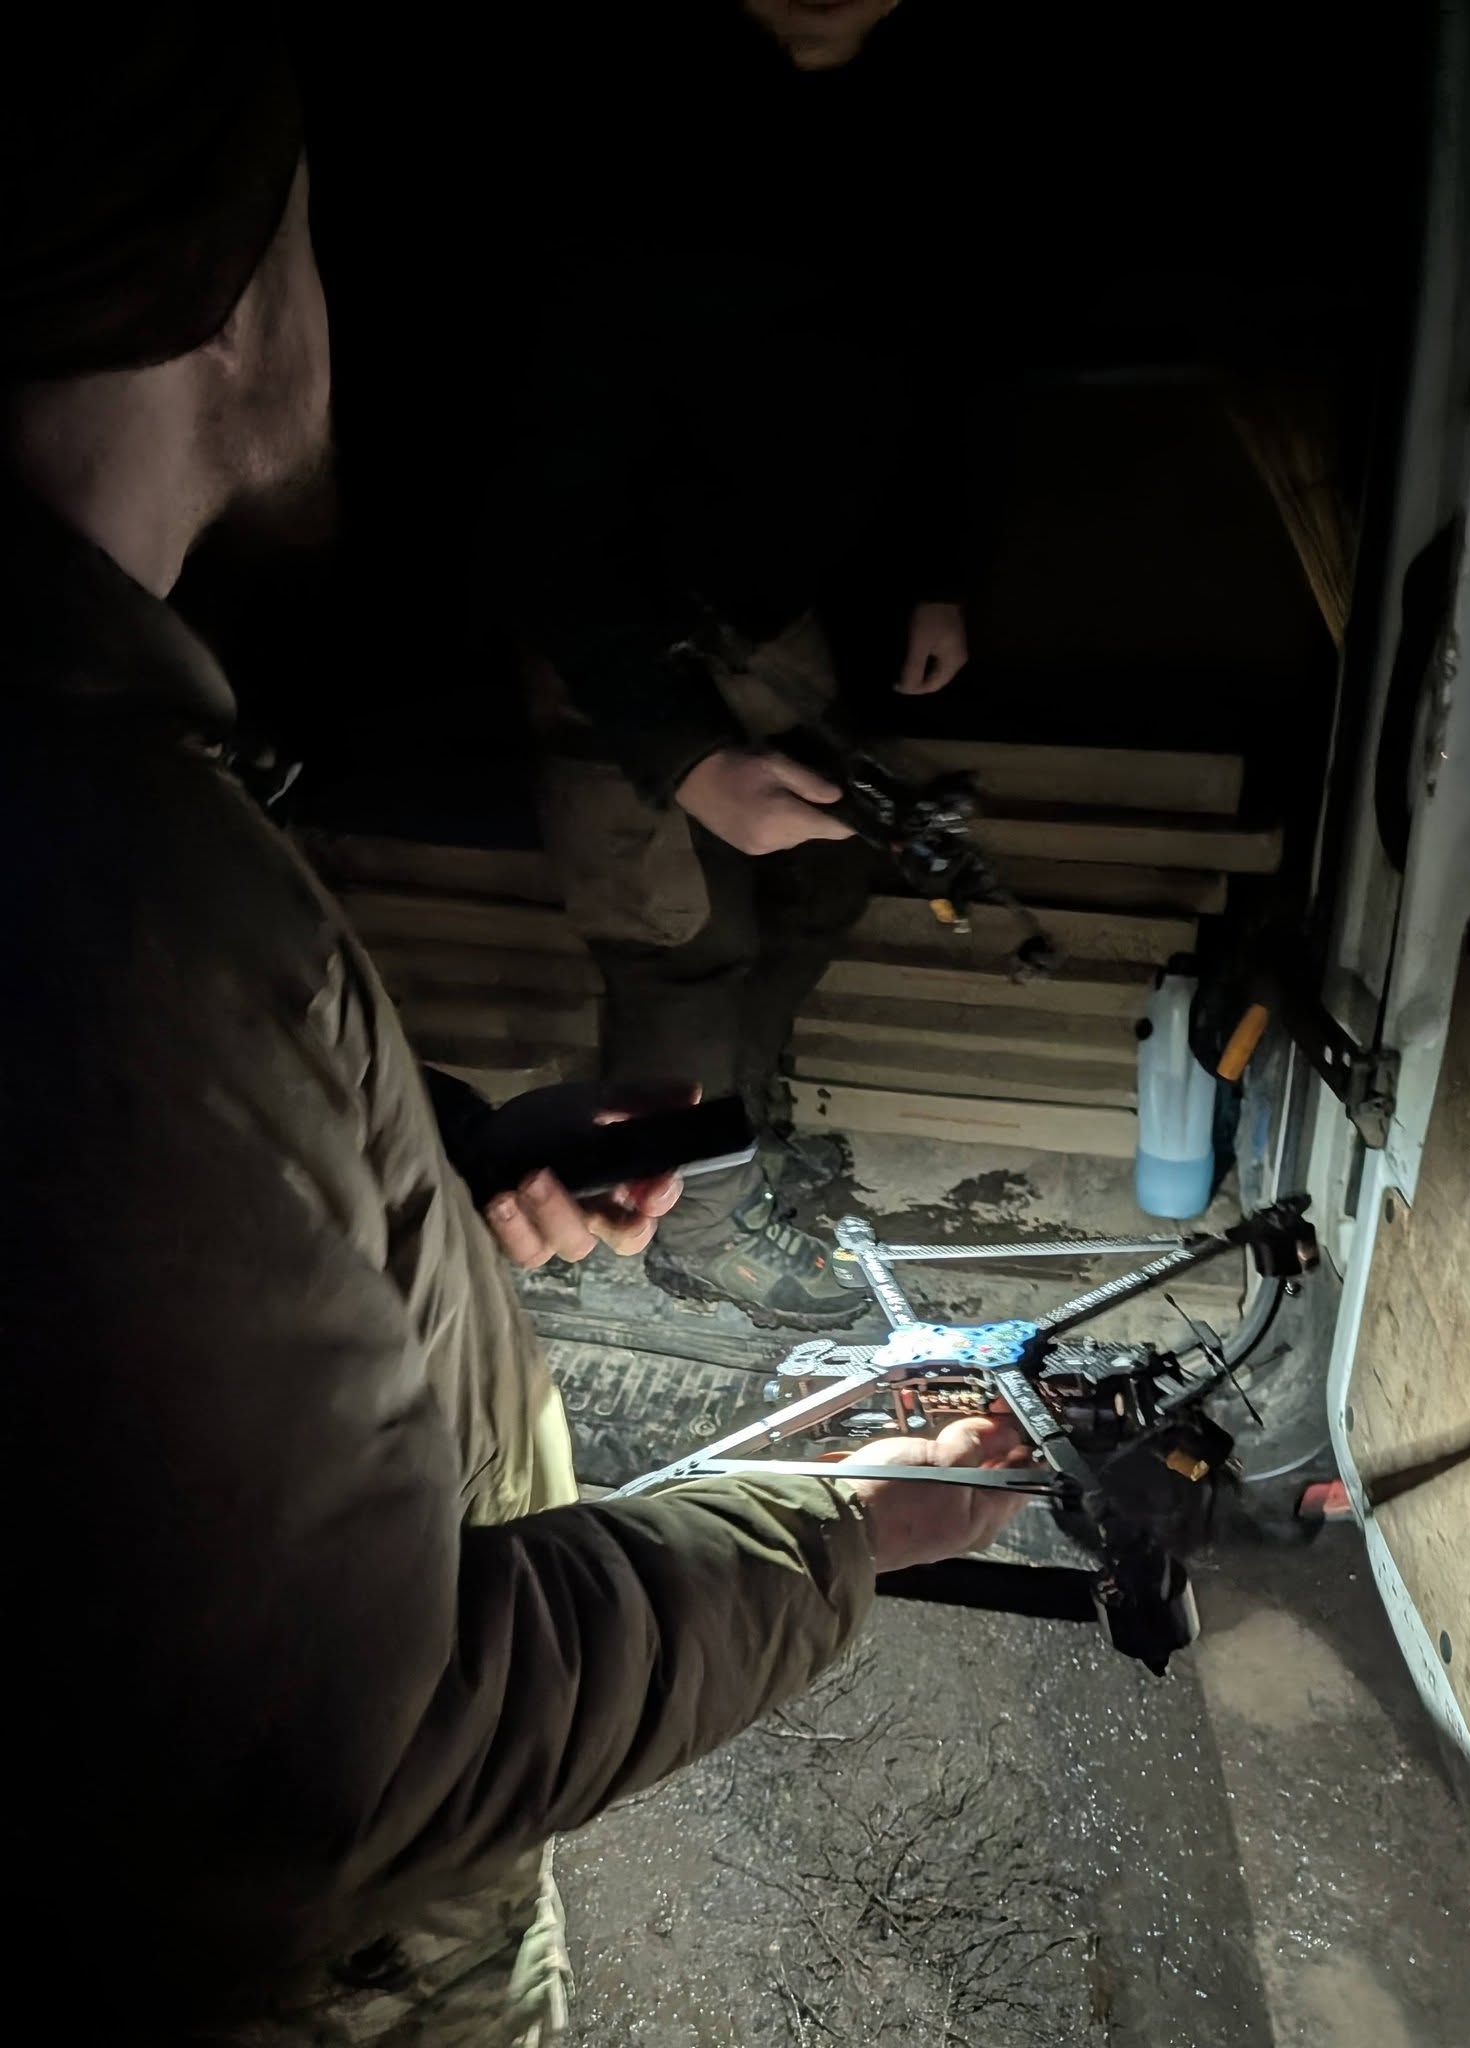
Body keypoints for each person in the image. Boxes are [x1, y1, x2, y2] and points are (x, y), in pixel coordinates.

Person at [1, 16, 1026, 2044]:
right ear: (228, 295)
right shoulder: (116, 890)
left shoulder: (110, 812)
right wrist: (839, 1528)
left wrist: (430, 1176)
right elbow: (352, 1764)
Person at [510, 0, 973, 1329]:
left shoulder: (922, 120)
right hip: (604, 625)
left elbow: (937, 365)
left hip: (774, 607)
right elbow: (538, 510)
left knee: (816, 886)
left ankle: (744, 1151)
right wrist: (684, 756)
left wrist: (936, 571)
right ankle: (699, 1229)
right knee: (676, 949)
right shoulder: (619, 121)